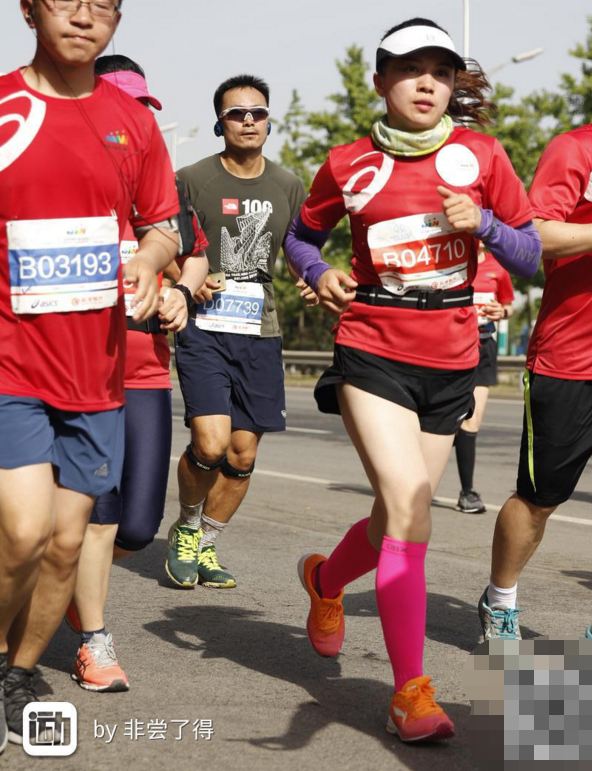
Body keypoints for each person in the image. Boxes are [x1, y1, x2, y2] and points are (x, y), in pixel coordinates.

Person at [285, 17, 541, 743]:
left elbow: (530, 258)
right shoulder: (347, 163)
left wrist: (485, 224)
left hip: (453, 352)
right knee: (409, 506)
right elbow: (301, 236)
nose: (426, 82)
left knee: (395, 515)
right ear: (380, 82)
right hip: (371, 345)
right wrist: (319, 271)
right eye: (409, 68)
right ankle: (409, 691)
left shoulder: (481, 155)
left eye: (440, 70)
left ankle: (326, 580)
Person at [0, 0, 180, 750]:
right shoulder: (6, 106)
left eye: (102, 4)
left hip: (99, 371)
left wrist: (148, 260)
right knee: (22, 530)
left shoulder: (130, 120)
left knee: (68, 546)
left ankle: (18, 672)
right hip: (12, 358)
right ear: (29, 9)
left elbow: (163, 222)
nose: (84, 16)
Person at [65, 54, 209, 693]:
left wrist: (181, 292)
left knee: (139, 525)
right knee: (92, 515)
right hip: (72, 375)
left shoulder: (164, 198)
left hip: (146, 372)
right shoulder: (58, 190)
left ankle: (69, 588)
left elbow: (195, 256)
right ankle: (94, 639)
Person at [478, 109, 592, 654]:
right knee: (540, 500)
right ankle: (501, 600)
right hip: (574, 357)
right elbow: (534, 235)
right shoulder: (579, 149)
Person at [167, 74, 308, 589]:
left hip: (260, 330)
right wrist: (185, 283)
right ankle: (184, 526)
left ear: (269, 122)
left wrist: (311, 279)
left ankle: (206, 543)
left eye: (258, 112)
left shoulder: (288, 184)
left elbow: (298, 249)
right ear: (219, 123)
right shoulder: (191, 179)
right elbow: (162, 244)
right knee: (210, 442)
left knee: (242, 452)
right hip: (204, 327)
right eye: (237, 113)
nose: (249, 120)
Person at [455, 243, 514, 513]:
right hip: (450, 348)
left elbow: (508, 306)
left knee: (472, 421)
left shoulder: (497, 268)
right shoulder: (450, 263)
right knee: (439, 420)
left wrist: (501, 312)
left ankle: (467, 493)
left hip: (484, 347)